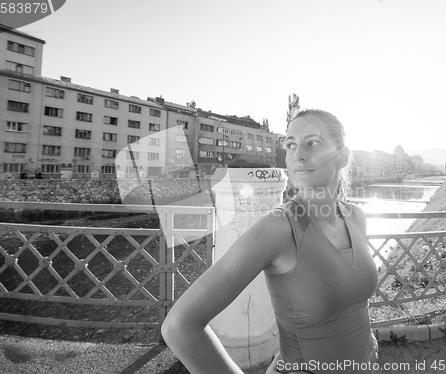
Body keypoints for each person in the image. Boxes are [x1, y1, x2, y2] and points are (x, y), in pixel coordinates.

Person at [161, 109, 379, 374]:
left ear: (342, 156)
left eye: (312, 143)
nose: (298, 154)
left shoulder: (356, 216)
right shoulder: (279, 227)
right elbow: (180, 326)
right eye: (290, 144)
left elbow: (353, 302)